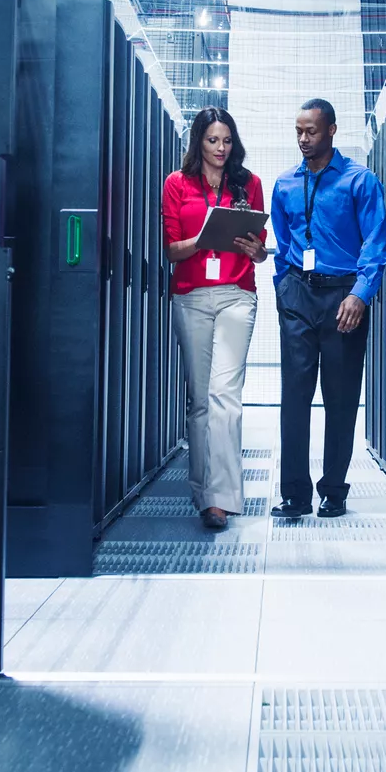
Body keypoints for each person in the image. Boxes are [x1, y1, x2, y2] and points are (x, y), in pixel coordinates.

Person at [270, 98, 386, 519]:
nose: (304, 139)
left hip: (345, 298)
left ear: (332, 130)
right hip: (298, 296)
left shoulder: (361, 181)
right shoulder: (284, 184)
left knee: (341, 399)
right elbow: (284, 245)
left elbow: (375, 244)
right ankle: (295, 495)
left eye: (312, 131)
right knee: (294, 398)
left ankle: (334, 491)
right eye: (299, 131)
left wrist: (360, 294)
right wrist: (284, 286)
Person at [162, 107, 268, 530]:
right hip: (190, 295)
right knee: (201, 400)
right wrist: (204, 238)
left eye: (226, 140)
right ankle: (203, 494)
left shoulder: (249, 184)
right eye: (212, 141)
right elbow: (171, 249)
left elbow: (258, 244)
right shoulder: (177, 183)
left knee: (226, 394)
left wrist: (257, 251)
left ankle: (221, 499)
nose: (221, 148)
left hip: (236, 294)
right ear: (198, 143)